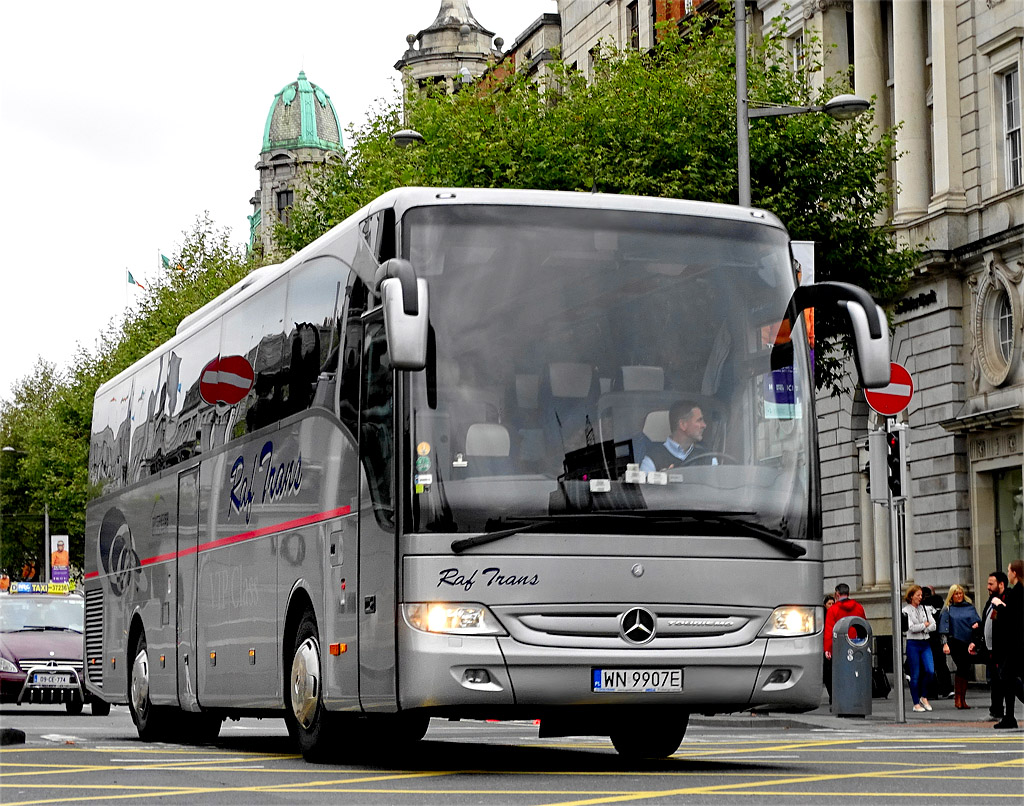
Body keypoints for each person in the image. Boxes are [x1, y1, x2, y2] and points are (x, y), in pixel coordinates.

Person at [989, 559, 1024, 729]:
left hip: (1015, 644)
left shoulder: (1017, 592)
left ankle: (1009, 717)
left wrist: (999, 605)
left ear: (1015, 573)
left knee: (1010, 678)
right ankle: (1009, 717)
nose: (1008, 573)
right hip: (1015, 644)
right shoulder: (1018, 591)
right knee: (1009, 680)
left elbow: (1012, 618)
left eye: (1009, 570)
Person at [970, 571, 1009, 720]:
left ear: (1001, 584)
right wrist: (976, 640)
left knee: (1009, 682)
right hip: (991, 649)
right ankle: (996, 711)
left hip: (1003, 649)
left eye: (991, 584)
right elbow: (986, 621)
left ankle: (1002, 712)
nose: (988, 587)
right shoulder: (991, 601)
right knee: (995, 681)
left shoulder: (1006, 599)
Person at [639, 400, 716, 471]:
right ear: (683, 425)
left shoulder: (708, 459)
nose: (704, 425)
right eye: (699, 420)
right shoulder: (652, 459)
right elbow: (641, 485)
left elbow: (718, 485)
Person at [938, 584, 981, 709]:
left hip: (968, 642)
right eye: (956, 594)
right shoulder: (948, 609)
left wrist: (977, 626)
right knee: (961, 667)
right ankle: (958, 698)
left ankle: (963, 698)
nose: (959, 596)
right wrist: (945, 644)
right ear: (952, 596)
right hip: (955, 642)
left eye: (960, 593)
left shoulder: (969, 607)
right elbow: (943, 629)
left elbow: (977, 621)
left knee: (966, 668)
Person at [823, 583, 866, 704]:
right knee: (854, 673)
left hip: (839, 647)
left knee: (837, 675)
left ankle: (839, 699)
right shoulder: (858, 607)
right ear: (848, 593)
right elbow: (863, 627)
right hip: (855, 645)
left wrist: (828, 649)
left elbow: (829, 631)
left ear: (837, 594)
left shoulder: (833, 609)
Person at [903, 584, 936, 712]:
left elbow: (933, 625)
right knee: (915, 673)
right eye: (918, 595)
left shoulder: (926, 609)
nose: (920, 598)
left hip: (925, 642)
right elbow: (911, 628)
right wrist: (924, 625)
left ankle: (924, 696)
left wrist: (924, 626)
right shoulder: (906, 610)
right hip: (913, 643)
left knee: (930, 671)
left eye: (921, 595)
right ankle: (916, 702)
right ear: (911, 596)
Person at [922, 585, 953, 699]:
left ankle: (932, 691)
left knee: (929, 666)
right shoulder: (940, 607)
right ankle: (947, 689)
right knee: (941, 665)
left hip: (927, 639)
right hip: (938, 640)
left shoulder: (923, 608)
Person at [822, 593, 836, 703]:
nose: (831, 605)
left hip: (834, 646)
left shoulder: (835, 614)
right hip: (825, 647)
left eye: (832, 603)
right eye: (829, 603)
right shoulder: (823, 617)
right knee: (828, 673)